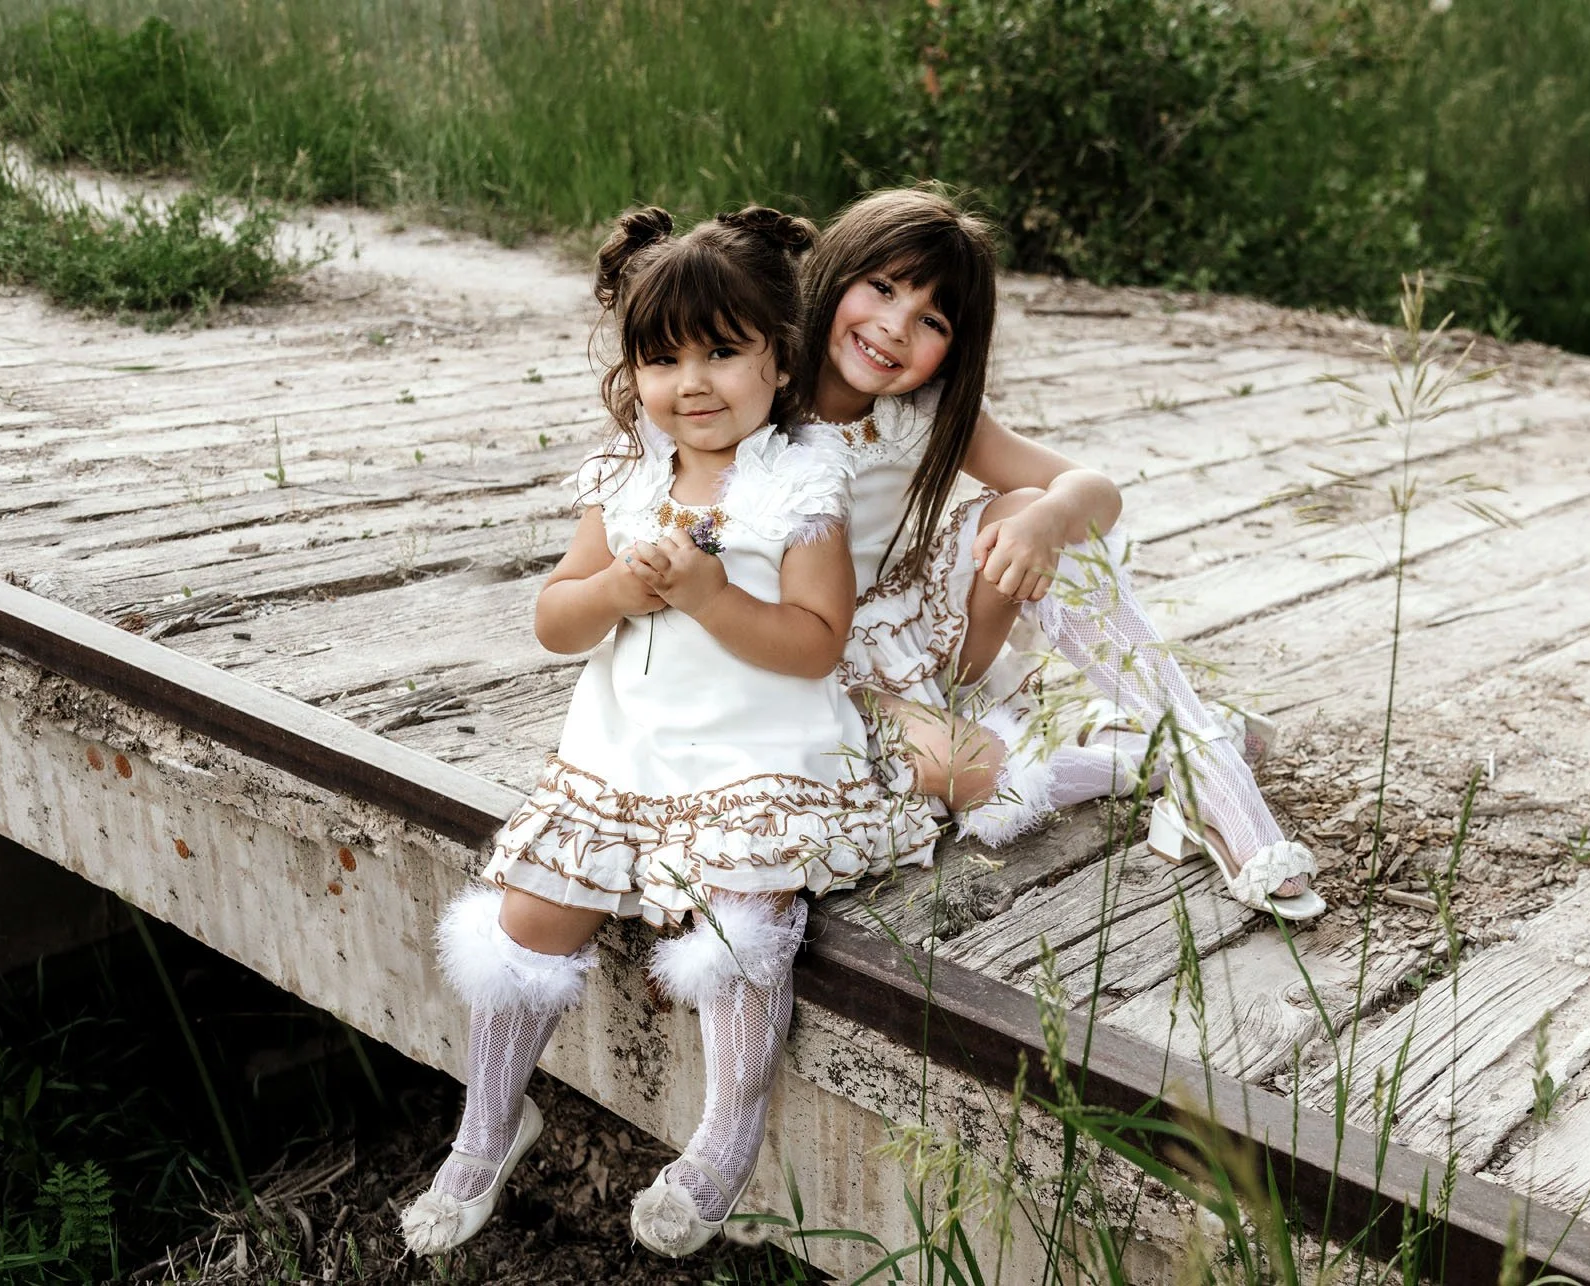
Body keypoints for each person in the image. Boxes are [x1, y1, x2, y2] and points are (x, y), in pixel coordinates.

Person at [400, 205, 936, 1260]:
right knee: (527, 917)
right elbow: (555, 621)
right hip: (623, 751)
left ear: (780, 362)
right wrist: (613, 588)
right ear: (635, 372)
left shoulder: (800, 482)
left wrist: (704, 595)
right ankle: (490, 1124)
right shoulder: (626, 476)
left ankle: (724, 1136)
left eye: (722, 353)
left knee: (742, 914)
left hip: (758, 752)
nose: (691, 381)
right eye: (662, 358)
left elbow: (817, 639)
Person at [803, 186, 1324, 920]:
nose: (892, 327)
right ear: (834, 270)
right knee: (956, 771)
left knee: (1030, 514)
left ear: (956, 345)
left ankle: (1210, 770)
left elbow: (1098, 493)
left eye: (931, 319)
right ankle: (1145, 762)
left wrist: (1048, 516)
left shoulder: (925, 411)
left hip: (916, 638)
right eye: (881, 287)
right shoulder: (756, 384)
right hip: (807, 662)